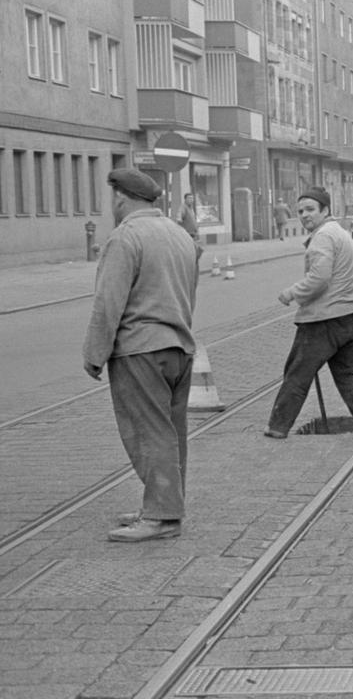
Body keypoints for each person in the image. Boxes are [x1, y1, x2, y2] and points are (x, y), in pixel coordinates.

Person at [83, 168, 201, 542]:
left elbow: (108, 302)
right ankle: (162, 504)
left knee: (149, 434)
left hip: (140, 350)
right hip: (179, 347)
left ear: (119, 197)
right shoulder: (179, 235)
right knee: (171, 433)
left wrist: (94, 353)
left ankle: (162, 516)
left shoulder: (125, 237)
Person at [265, 187, 353, 440]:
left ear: (325, 210)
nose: (304, 215)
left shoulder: (322, 237)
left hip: (324, 320)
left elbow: (319, 278)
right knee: (349, 372)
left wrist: (291, 293)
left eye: (310, 209)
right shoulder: (340, 233)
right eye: (300, 211)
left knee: (297, 373)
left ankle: (278, 426)